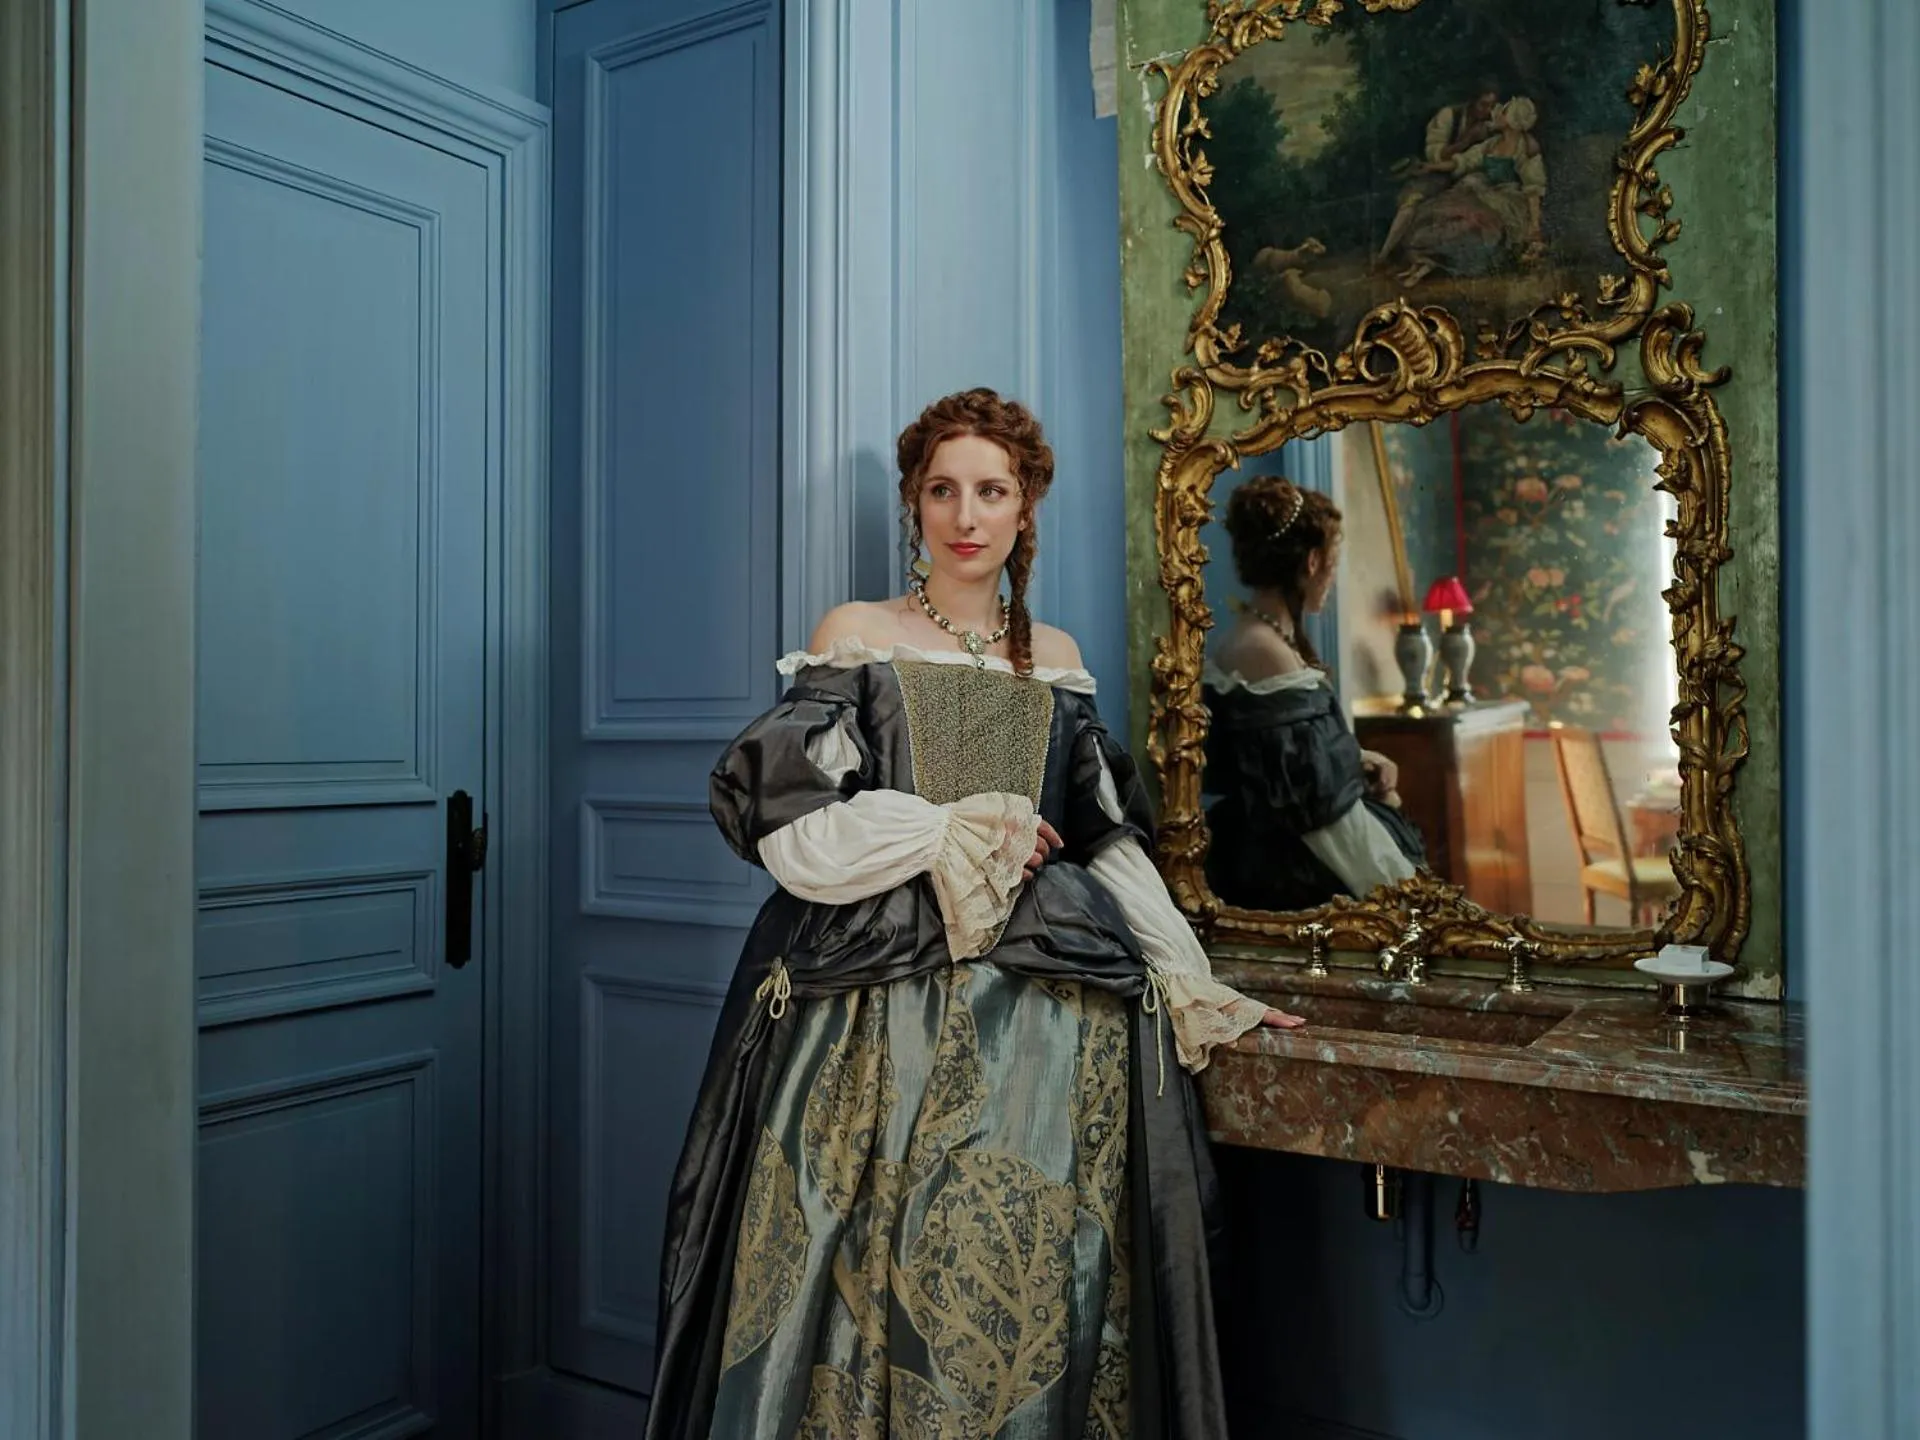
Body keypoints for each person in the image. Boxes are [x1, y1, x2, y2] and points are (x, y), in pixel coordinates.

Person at [644, 388, 1305, 1440]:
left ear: (1025, 506)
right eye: (942, 490)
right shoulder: (859, 636)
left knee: (1020, 1285)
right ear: (915, 503)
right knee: (867, 1267)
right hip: (875, 1010)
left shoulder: (1057, 655)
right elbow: (789, 830)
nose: (966, 515)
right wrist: (942, 829)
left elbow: (1105, 841)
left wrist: (1193, 982)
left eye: (991, 491)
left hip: (1049, 1026)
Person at [1204, 476, 1425, 914]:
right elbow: (1315, 805)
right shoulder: (1263, 651)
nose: (1332, 578)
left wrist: (1356, 760)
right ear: (1311, 563)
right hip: (1288, 866)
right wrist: (1395, 888)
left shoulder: (1268, 641)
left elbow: (1292, 763)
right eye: (1332, 563)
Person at [1389, 96, 1549, 287]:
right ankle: (1423, 261)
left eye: (1504, 111)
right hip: (1482, 192)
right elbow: (1463, 161)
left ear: (1514, 119)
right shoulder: (1492, 143)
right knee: (1440, 214)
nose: (1497, 112)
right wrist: (1431, 167)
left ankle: (1435, 263)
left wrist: (1534, 226)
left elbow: (1533, 189)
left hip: (1507, 203)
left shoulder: (1527, 147)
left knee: (1471, 225)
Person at [1376, 82, 1502, 268]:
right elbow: (1435, 155)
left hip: (1467, 175)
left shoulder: (1492, 123)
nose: (1488, 110)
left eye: (1492, 106)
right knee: (1412, 201)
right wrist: (1467, 140)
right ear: (1472, 102)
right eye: (1483, 105)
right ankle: (1384, 255)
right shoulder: (1448, 115)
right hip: (1437, 172)